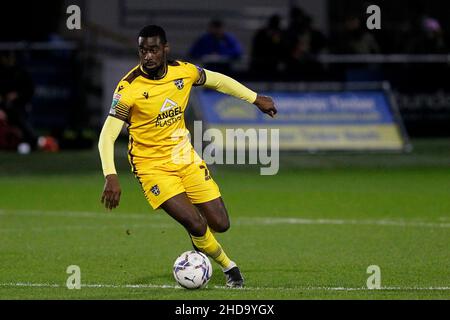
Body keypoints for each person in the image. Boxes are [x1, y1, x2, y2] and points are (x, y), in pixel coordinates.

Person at [98, 25, 277, 288]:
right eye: (143, 51)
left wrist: (254, 98)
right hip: (151, 167)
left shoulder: (185, 72)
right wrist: (110, 175)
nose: (147, 56)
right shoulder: (129, 88)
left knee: (220, 222)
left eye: (153, 50)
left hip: (185, 158)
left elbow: (219, 80)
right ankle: (230, 267)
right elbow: (107, 135)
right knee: (194, 221)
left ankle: (200, 239)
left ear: (165, 49)